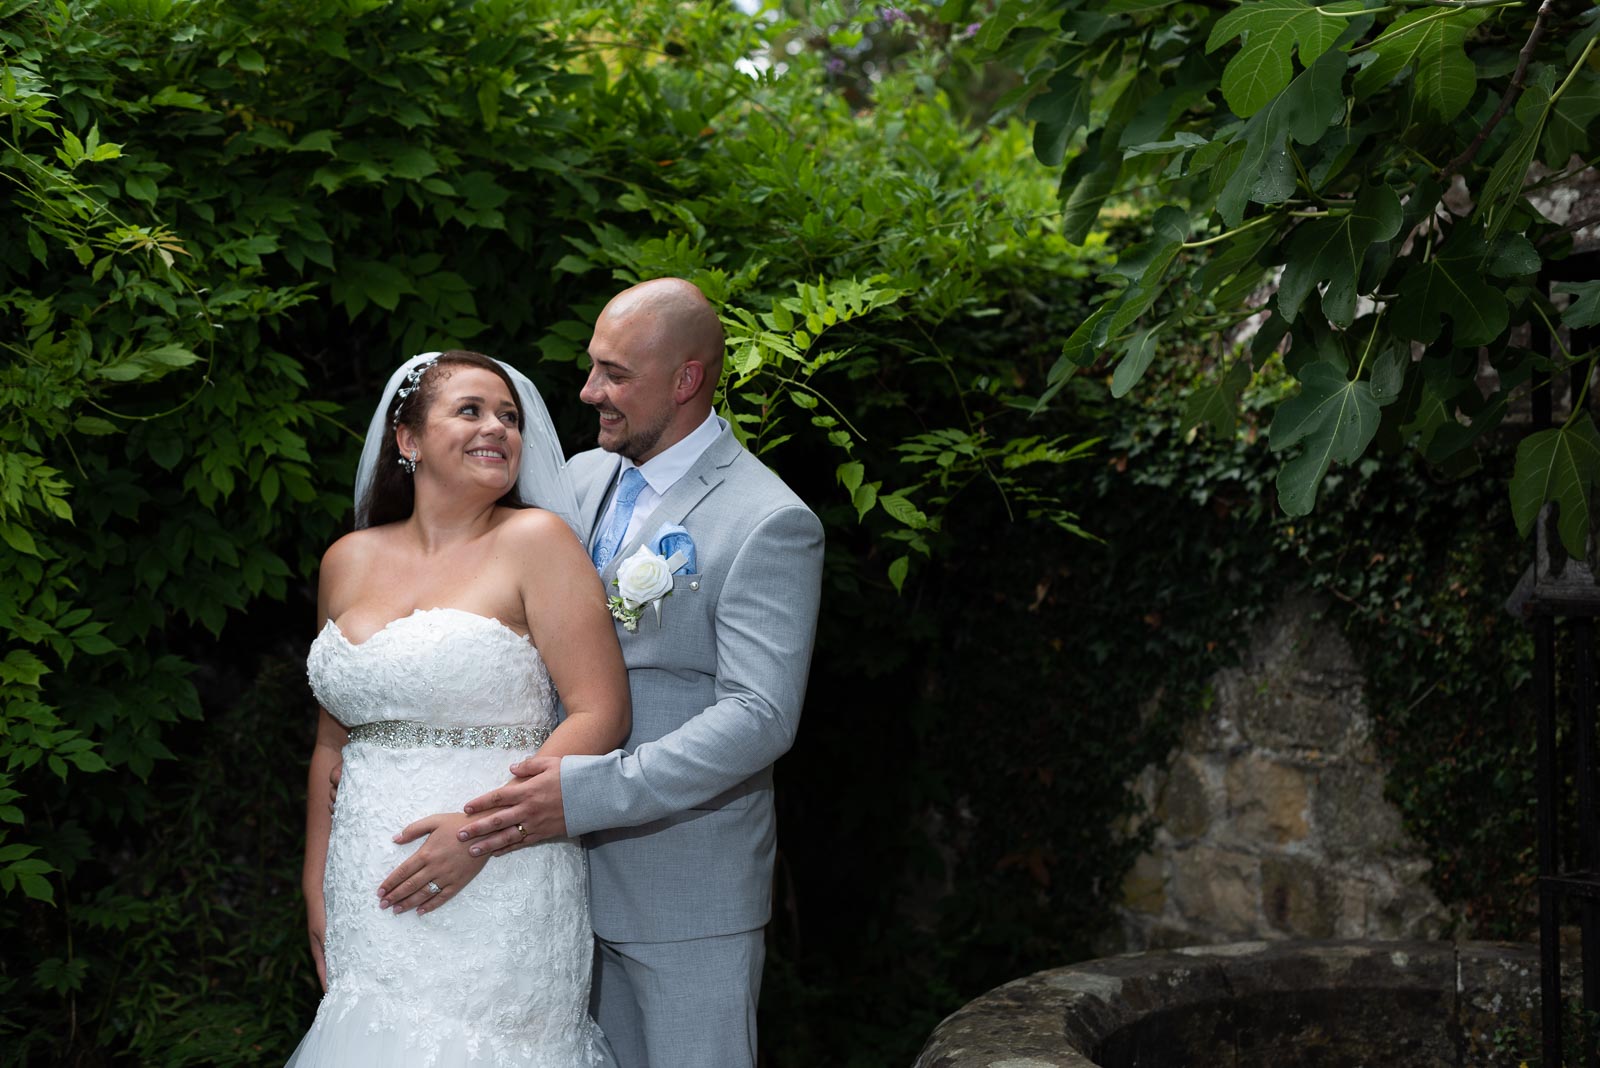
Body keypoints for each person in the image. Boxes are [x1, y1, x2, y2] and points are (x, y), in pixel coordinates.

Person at [455, 279, 826, 1068]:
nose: (589, 392)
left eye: (615, 374)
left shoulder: (769, 520)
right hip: (553, 891)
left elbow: (760, 716)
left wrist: (591, 793)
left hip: (684, 894)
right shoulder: (577, 481)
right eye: (593, 368)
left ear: (685, 380)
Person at [289, 350, 630, 1067]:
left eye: (508, 416)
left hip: (501, 877)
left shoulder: (536, 542)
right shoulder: (345, 560)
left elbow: (600, 713)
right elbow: (331, 742)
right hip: (366, 889)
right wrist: (316, 883)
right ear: (407, 440)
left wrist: (481, 836)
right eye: (471, 410)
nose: (499, 429)